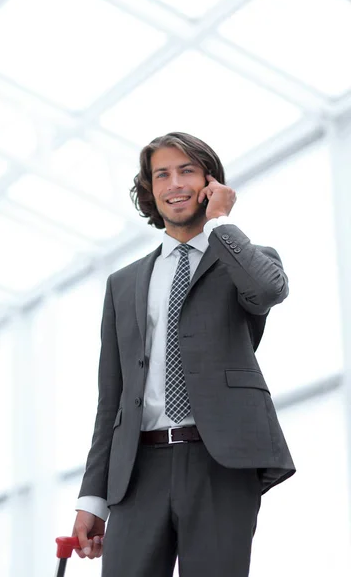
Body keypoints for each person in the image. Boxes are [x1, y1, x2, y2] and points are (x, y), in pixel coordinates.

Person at [72, 132, 295, 576]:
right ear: (150, 189)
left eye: (187, 170)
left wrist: (220, 223)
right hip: (138, 469)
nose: (174, 183)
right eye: (162, 174)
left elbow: (269, 290)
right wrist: (92, 497)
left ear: (210, 181)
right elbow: (110, 399)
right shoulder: (124, 283)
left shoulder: (243, 258)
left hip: (220, 461)